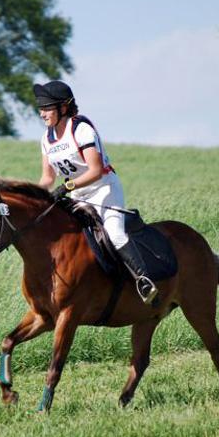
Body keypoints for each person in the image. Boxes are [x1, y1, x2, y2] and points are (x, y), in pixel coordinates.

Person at [33, 80, 157, 304]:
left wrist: (67, 186)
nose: (42, 113)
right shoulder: (46, 139)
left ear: (64, 107)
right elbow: (48, 178)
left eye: (48, 107)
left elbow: (96, 171)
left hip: (103, 189)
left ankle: (143, 280)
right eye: (40, 108)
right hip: (77, 195)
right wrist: (34, 195)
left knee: (114, 232)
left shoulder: (80, 129)